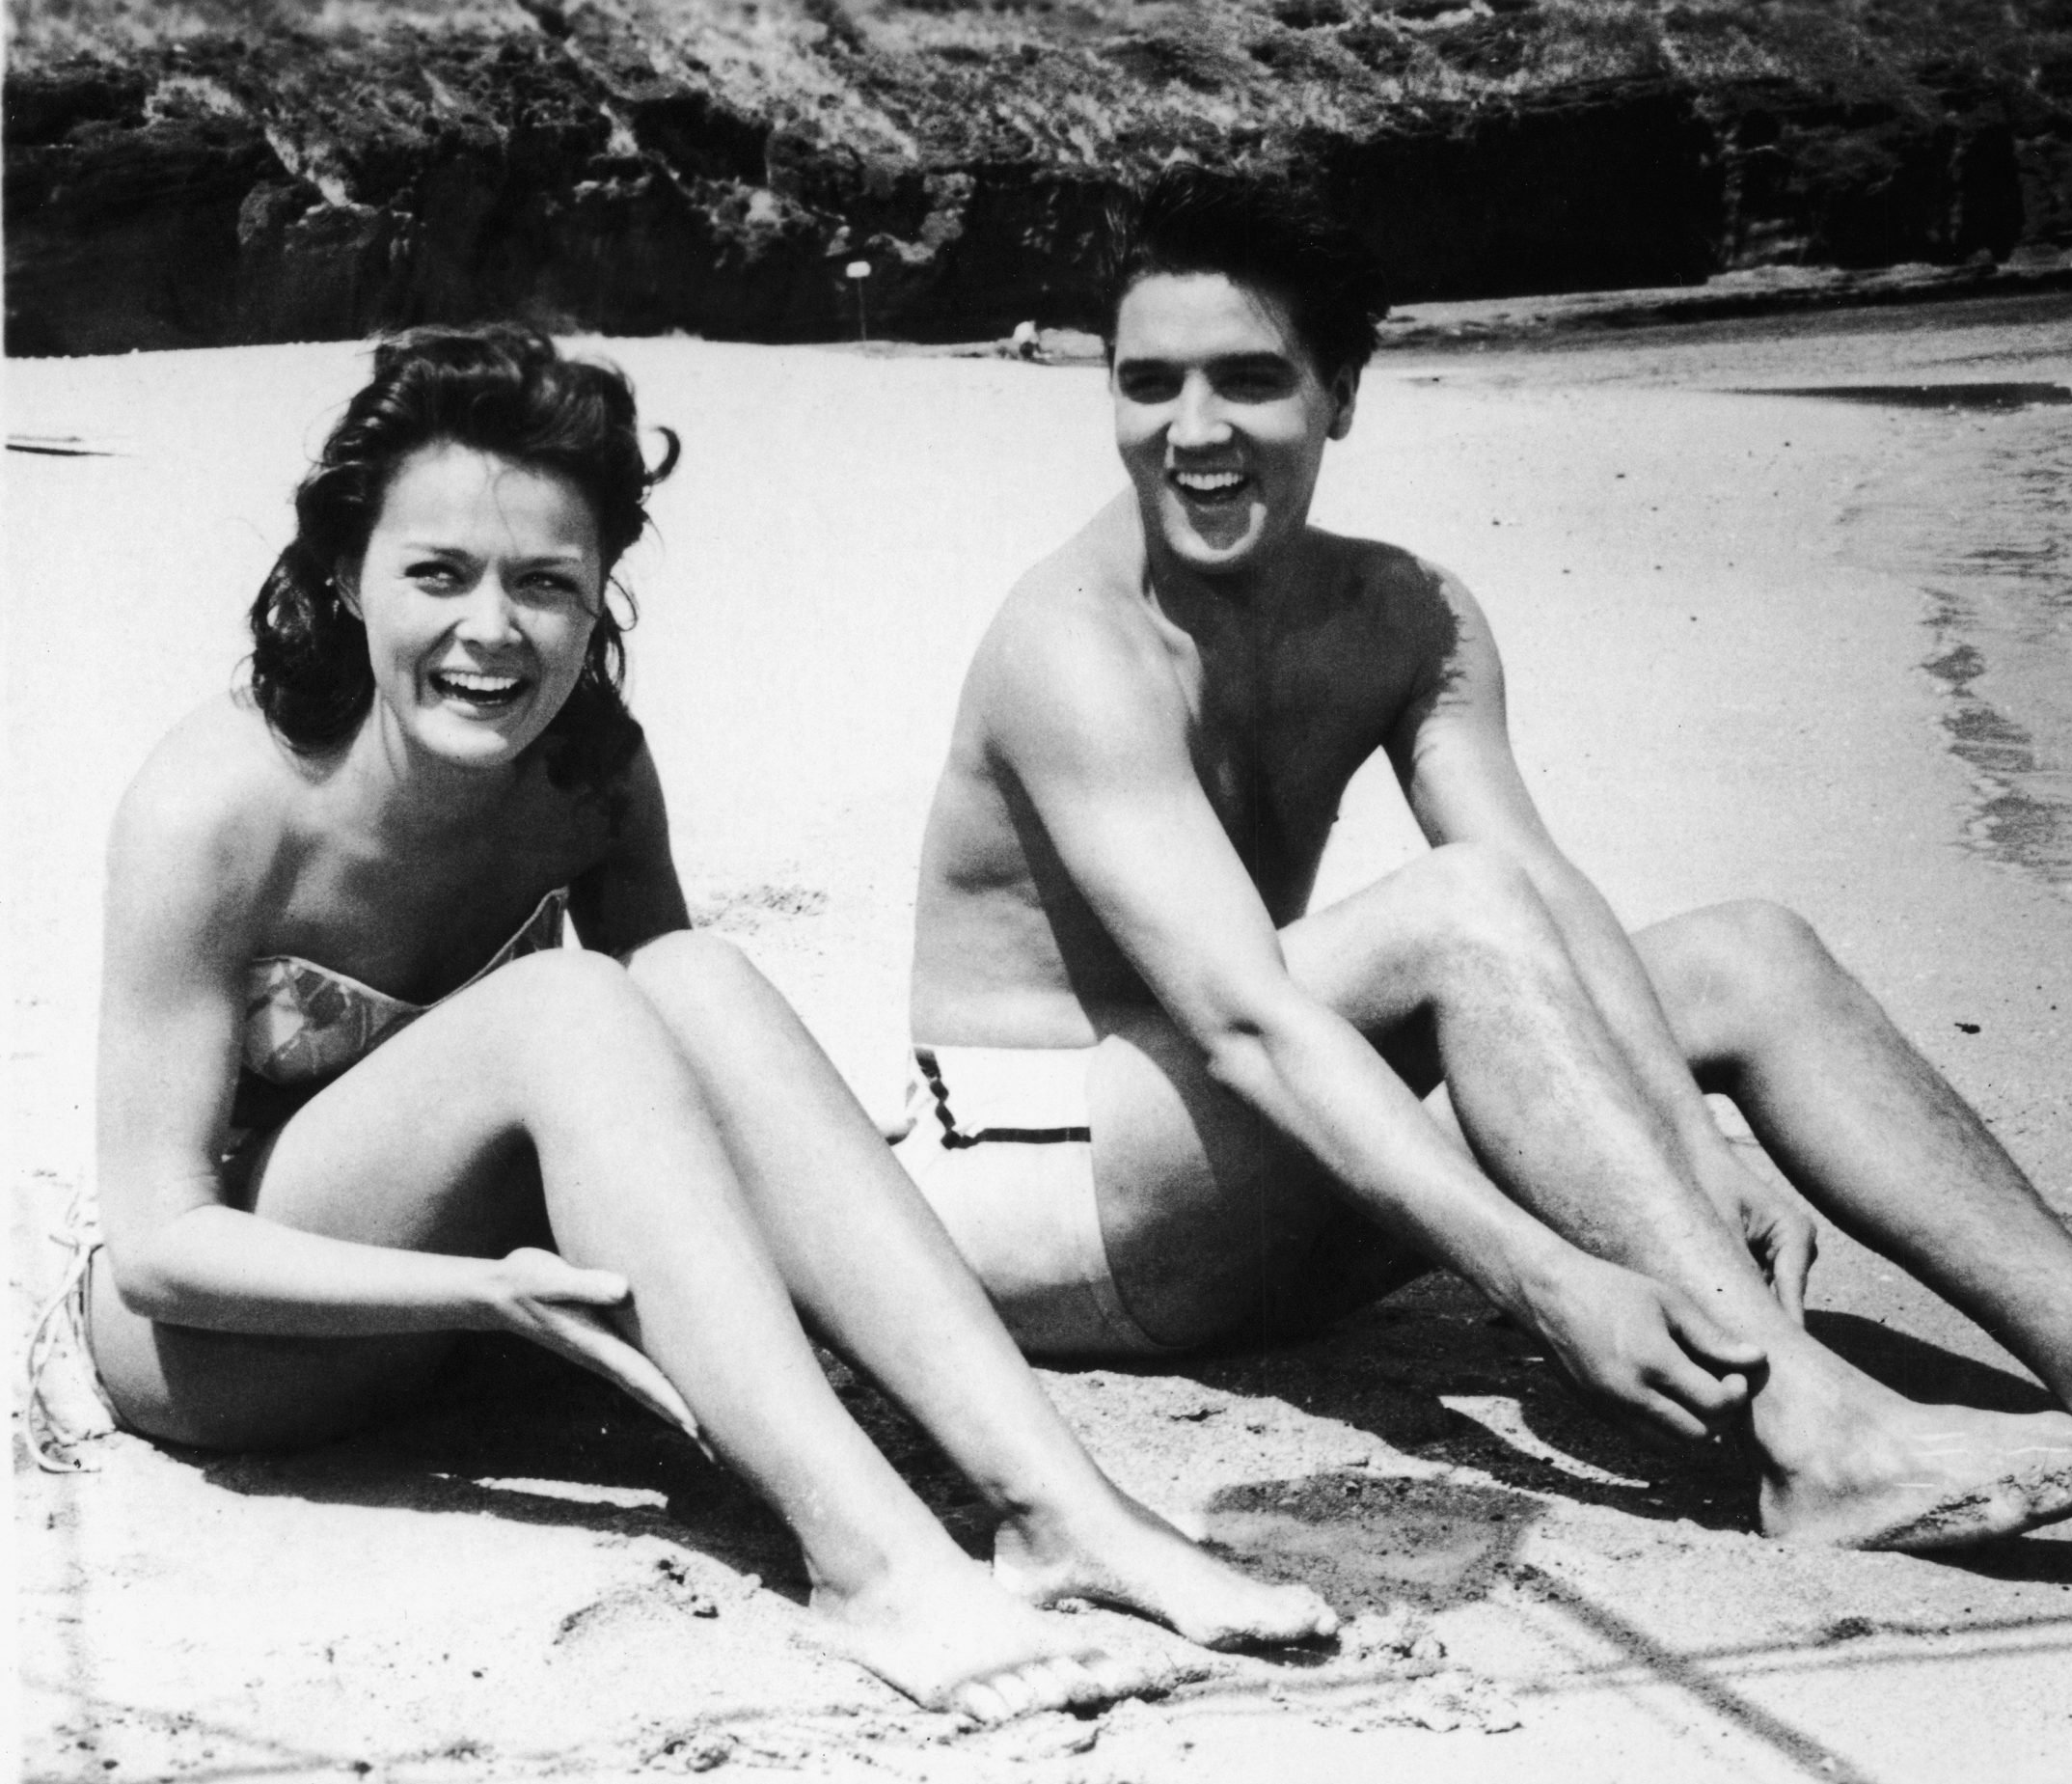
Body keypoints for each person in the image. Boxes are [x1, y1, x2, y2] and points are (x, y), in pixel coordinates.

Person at [899, 168, 2072, 1553]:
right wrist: (1545, 1280)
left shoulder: (1399, 615)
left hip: (1225, 1164)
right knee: (1456, 921)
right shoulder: (1077, 648)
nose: (1192, 434)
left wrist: (1686, 1137)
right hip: (1047, 1203)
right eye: (1147, 383)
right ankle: (1818, 1433)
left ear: (1342, 393)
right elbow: (1251, 1017)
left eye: (1249, 381)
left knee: (1743, 955)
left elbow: (1541, 887)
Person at [37, 324, 1334, 1725]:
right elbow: (163, 1245)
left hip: (498, 1306)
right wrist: (487, 1297)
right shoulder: (219, 806)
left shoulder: (588, 771)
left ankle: (1060, 1503)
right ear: (347, 578)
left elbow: (698, 1062)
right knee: (566, 999)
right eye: (437, 574)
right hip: (226, 1347)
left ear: (600, 603)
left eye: (546, 584)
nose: (491, 631)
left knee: (688, 974)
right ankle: (875, 1562)